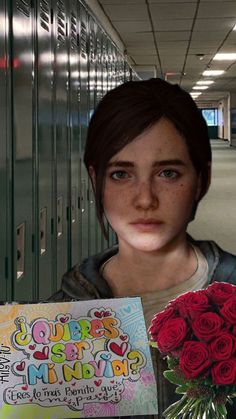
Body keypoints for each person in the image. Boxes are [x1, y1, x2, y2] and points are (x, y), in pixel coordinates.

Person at [50, 78, 236, 418]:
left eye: (167, 172)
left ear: (201, 180)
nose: (145, 199)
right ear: (96, 181)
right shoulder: (53, 322)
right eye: (121, 174)